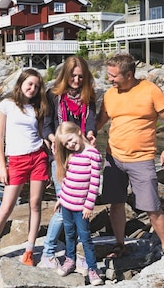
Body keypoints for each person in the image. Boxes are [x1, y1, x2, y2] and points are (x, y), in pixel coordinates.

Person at [95, 53, 164, 267]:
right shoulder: (110, 94)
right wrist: (79, 137)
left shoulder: (150, 90)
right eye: (109, 75)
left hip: (142, 159)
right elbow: (99, 122)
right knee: (116, 203)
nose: (110, 79)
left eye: (114, 76)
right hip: (113, 158)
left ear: (129, 74)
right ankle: (119, 243)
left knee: (152, 206)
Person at [0, 68, 50, 275]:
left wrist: (51, 145)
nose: (33, 89)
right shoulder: (7, 105)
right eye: (29, 84)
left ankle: (29, 250)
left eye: (36, 86)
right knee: (6, 207)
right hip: (16, 161)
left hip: (38, 157)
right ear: (20, 84)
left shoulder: (38, 106)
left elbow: (38, 133)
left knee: (35, 205)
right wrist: (2, 166)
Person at [39, 55, 97, 269]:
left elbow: (91, 122)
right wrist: (55, 140)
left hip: (82, 156)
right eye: (73, 76)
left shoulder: (88, 96)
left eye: (81, 77)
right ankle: (48, 252)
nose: (76, 80)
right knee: (65, 207)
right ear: (65, 75)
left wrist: (90, 133)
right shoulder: (53, 96)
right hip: (61, 157)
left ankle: (71, 254)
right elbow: (46, 126)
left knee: (78, 208)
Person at [54, 121, 103, 286]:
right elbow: (68, 179)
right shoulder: (71, 155)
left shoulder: (93, 154)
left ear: (78, 132)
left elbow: (94, 183)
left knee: (85, 237)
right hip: (67, 204)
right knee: (69, 234)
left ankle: (92, 269)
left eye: (71, 139)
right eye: (66, 143)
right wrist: (60, 198)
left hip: (81, 208)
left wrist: (89, 205)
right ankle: (70, 259)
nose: (70, 144)